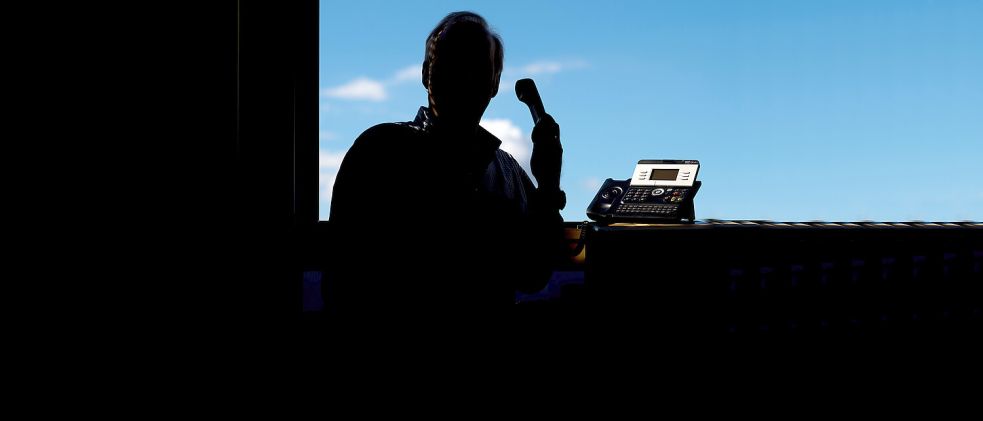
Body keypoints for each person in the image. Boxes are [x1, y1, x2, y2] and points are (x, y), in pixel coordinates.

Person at [325, 11, 566, 319]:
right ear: (427, 74)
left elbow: (532, 275)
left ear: (494, 83)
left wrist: (547, 185)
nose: (465, 76)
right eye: (453, 61)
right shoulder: (378, 152)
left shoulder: (510, 172)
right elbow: (346, 283)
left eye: (477, 66)